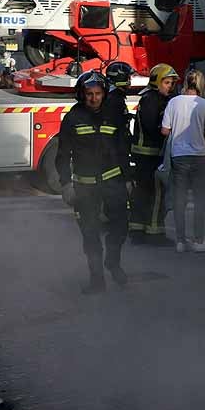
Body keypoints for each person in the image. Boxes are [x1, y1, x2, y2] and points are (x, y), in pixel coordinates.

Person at [56, 71, 131, 294]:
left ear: (104, 94)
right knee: (90, 233)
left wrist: (128, 179)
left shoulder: (114, 116)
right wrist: (66, 184)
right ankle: (97, 279)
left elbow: (122, 150)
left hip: (113, 182)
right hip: (85, 186)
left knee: (120, 227)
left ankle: (113, 261)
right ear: (82, 94)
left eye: (98, 93)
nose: (94, 98)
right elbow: (62, 155)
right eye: (89, 94)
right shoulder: (72, 119)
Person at [161, 69, 205, 253]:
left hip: (178, 156)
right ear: (201, 84)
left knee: (179, 199)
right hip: (200, 157)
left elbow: (165, 131)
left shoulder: (173, 102)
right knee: (200, 200)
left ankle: (180, 240)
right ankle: (198, 239)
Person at [129, 63, 179, 244]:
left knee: (142, 193)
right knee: (156, 193)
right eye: (167, 82)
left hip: (144, 154)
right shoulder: (153, 100)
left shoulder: (148, 97)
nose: (170, 87)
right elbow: (153, 127)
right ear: (157, 81)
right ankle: (154, 233)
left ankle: (137, 230)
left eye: (172, 83)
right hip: (150, 154)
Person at [104, 61, 134, 125]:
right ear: (121, 78)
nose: (130, 80)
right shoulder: (115, 99)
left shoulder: (110, 95)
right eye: (128, 77)